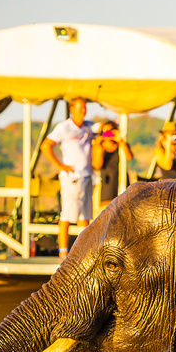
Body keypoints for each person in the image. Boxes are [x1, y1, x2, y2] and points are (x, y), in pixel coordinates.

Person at [41, 97, 94, 257]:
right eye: (79, 108)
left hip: (87, 175)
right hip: (72, 177)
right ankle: (63, 252)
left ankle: (86, 250)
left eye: (84, 108)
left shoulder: (89, 127)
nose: (82, 111)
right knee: (68, 214)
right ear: (72, 110)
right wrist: (60, 166)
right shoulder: (64, 127)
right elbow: (46, 145)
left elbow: (107, 130)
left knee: (85, 215)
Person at [93, 120, 133, 206]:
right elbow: (97, 165)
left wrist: (120, 141)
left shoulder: (121, 144)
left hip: (121, 180)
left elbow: (129, 157)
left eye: (110, 131)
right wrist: (100, 145)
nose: (108, 134)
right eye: (105, 131)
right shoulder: (98, 146)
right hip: (106, 183)